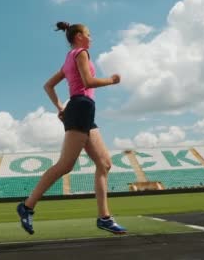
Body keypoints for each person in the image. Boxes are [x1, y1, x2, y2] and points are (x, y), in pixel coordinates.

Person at [16, 21, 127, 235]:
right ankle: (27, 206)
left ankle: (104, 218)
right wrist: (112, 80)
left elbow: (48, 85)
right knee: (65, 165)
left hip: (81, 109)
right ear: (78, 36)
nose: (91, 38)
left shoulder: (68, 59)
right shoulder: (81, 53)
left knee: (104, 163)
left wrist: (60, 106)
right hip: (81, 107)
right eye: (88, 34)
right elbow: (88, 81)